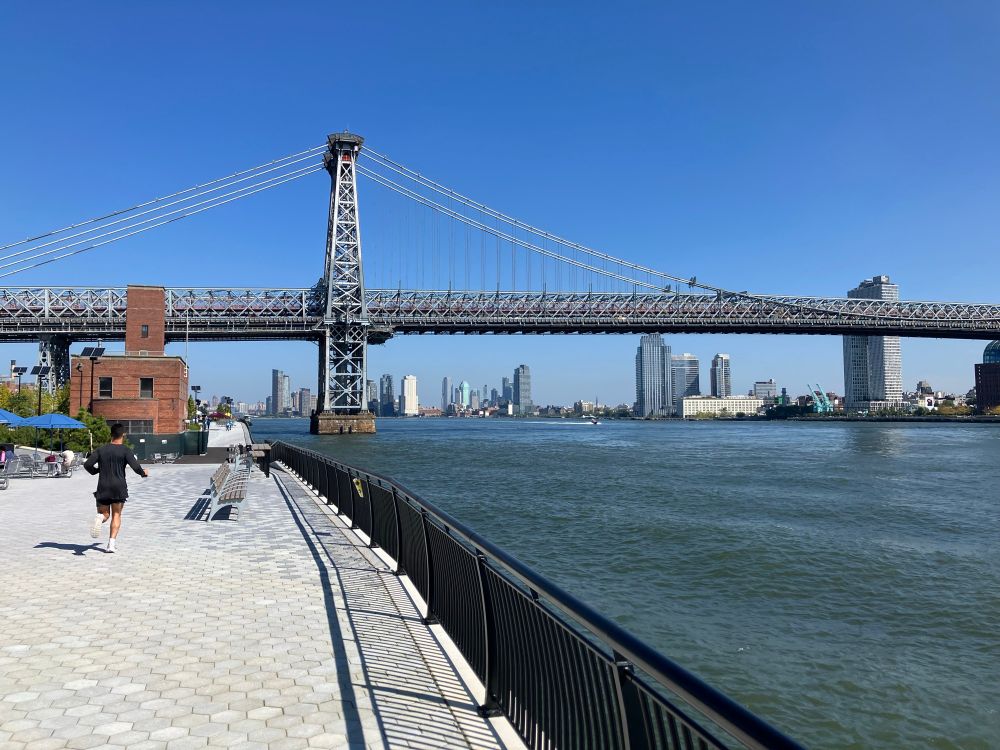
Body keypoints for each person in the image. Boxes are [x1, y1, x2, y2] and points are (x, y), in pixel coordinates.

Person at [85, 423, 148, 553]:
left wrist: (95, 471)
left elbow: (87, 464)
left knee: (105, 514)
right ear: (123, 435)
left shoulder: (101, 450)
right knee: (117, 515)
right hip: (119, 487)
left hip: (103, 486)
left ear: (111, 434)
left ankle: (100, 518)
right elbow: (135, 466)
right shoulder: (125, 450)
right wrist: (143, 473)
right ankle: (111, 545)